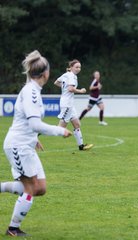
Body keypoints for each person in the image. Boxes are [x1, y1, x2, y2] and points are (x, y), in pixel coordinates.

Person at [1, 50, 72, 236]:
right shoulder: (31, 92)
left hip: (26, 144)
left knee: (40, 188)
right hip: (18, 145)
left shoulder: (33, 90)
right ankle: (13, 228)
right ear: (45, 74)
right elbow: (33, 123)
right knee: (31, 189)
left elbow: (29, 123)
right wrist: (60, 130)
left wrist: (35, 139)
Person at [54, 59, 93, 150]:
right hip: (67, 104)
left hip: (70, 104)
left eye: (79, 67)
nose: (78, 69)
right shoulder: (71, 76)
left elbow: (56, 82)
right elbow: (71, 89)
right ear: (71, 67)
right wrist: (81, 91)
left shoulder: (66, 75)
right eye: (76, 67)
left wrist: (64, 87)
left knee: (77, 124)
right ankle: (37, 133)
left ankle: (81, 146)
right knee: (60, 129)